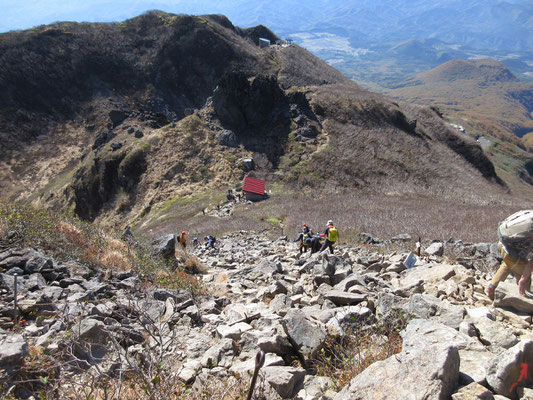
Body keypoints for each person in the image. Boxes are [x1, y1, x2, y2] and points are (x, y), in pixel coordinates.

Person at [486, 210, 533, 300]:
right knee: (525, 278)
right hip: (510, 249)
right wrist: (523, 279)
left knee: (508, 264)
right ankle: (523, 304)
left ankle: (491, 288)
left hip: (503, 242)